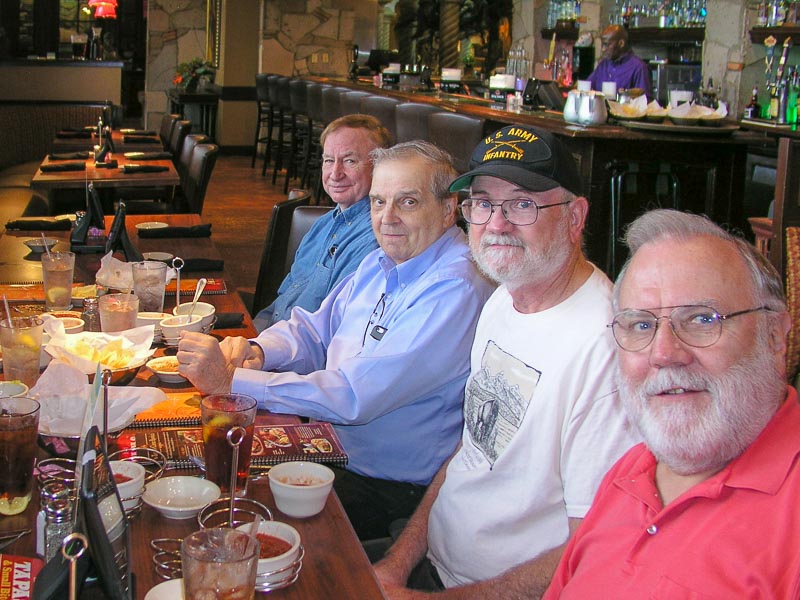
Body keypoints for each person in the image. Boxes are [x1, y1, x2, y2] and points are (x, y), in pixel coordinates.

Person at [178, 141, 495, 539]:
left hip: (390, 489)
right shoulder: (383, 260)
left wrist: (232, 384)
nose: (387, 218)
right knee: (199, 482)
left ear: (449, 209)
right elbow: (314, 329)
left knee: (233, 530)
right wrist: (258, 351)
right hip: (331, 450)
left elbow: (353, 396)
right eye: (378, 202)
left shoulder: (455, 288)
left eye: (408, 202)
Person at [373, 125, 638, 598]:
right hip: (432, 565)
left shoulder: (605, 349)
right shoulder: (503, 298)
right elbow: (471, 451)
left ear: (576, 217)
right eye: (482, 203)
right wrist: (396, 564)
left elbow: (591, 548)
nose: (496, 224)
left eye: (522, 204)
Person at [544, 209, 798, 598]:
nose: (664, 353)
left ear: (775, 337)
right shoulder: (634, 470)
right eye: (641, 325)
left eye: (701, 319)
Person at [252, 114, 390, 331]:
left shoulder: (377, 239)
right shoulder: (322, 224)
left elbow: (331, 331)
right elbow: (281, 301)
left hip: (296, 358)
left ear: (380, 167)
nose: (335, 173)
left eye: (349, 161)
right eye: (328, 160)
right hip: (268, 337)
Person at [587, 25, 651, 97]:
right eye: (602, 45)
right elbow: (587, 88)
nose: (603, 49)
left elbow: (644, 102)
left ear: (621, 43)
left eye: (606, 44)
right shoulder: (603, 65)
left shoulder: (638, 67)